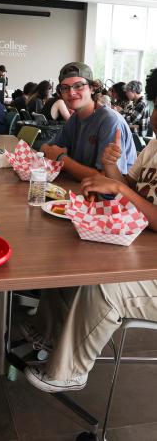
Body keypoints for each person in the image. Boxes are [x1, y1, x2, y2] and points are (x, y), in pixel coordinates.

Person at [24, 69, 157, 393]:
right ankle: (50, 336)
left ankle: (70, 371)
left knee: (105, 287)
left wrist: (117, 187)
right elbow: (131, 186)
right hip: (141, 248)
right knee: (69, 256)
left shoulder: (109, 118)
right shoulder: (153, 146)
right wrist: (113, 170)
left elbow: (131, 198)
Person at [40, 62, 136, 181]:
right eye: (65, 88)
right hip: (78, 189)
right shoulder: (75, 119)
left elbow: (107, 181)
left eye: (78, 85)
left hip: (111, 198)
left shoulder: (109, 121)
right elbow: (46, 148)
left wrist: (61, 158)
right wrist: (53, 153)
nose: (71, 92)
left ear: (92, 88)